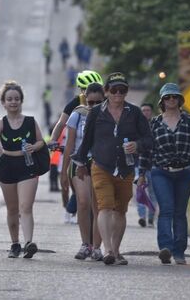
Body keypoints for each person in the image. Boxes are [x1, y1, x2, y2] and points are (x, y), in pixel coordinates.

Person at [72, 72, 153, 266]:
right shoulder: (96, 112)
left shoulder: (134, 113)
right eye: (114, 90)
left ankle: (116, 250)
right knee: (104, 206)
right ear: (107, 91)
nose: (118, 93)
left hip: (126, 168)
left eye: (122, 90)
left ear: (126, 92)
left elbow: (149, 139)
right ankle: (107, 249)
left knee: (120, 211)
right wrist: (81, 163)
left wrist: (137, 145)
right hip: (101, 165)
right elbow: (87, 141)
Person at [138, 83, 190, 265]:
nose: (171, 100)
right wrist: (142, 174)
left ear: (180, 100)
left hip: (185, 172)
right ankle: (165, 248)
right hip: (161, 172)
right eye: (168, 97)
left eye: (174, 97)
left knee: (179, 212)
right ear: (162, 101)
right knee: (166, 209)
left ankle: (179, 252)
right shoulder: (154, 123)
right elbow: (147, 151)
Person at [0, 81, 45, 259]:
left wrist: (34, 147)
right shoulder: (0, 123)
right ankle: (15, 243)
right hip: (7, 167)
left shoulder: (30, 121)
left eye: (17, 99)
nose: (13, 102)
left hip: (27, 166)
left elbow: (41, 141)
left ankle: (29, 243)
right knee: (12, 209)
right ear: (3, 102)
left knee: (25, 207)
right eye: (9, 99)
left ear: (21, 101)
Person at [61, 82, 105, 261]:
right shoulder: (77, 115)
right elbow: (69, 144)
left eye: (97, 102)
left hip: (100, 163)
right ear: (86, 99)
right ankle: (84, 244)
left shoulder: (108, 114)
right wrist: (63, 172)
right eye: (91, 102)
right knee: (83, 201)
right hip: (79, 162)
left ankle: (97, 247)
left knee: (98, 206)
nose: (93, 106)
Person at [136, 103, 157, 228]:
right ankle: (142, 217)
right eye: (143, 110)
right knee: (140, 191)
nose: (145, 112)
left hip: (154, 165)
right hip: (138, 165)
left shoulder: (156, 126)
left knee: (153, 193)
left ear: (151, 112)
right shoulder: (135, 127)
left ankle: (151, 217)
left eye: (148, 110)